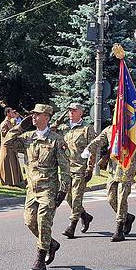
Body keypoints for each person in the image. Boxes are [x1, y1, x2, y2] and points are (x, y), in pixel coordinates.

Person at [2, 104, 70, 270]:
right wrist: (19, 127)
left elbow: (65, 168)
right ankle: (51, 244)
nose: (33, 116)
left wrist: (63, 190)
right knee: (29, 221)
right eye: (33, 114)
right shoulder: (27, 137)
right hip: (32, 189)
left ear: (46, 117)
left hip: (49, 189)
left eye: (37, 114)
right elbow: (7, 143)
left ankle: (40, 260)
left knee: (43, 221)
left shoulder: (56, 140)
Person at [56, 102, 95, 239]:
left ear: (81, 112)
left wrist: (90, 168)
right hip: (66, 168)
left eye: (73, 111)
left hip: (80, 168)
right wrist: (56, 123)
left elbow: (92, 150)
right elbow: (53, 136)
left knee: (77, 197)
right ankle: (85, 216)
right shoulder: (64, 128)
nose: (70, 113)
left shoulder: (87, 129)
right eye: (69, 111)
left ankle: (72, 226)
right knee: (69, 197)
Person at [0, 107, 24, 187]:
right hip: (6, 147)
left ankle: (15, 181)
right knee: (7, 164)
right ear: (8, 113)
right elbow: (5, 135)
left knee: (13, 163)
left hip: (12, 146)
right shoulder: (4, 123)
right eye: (12, 112)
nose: (13, 114)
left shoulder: (11, 122)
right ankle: (7, 181)